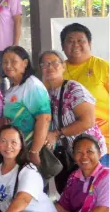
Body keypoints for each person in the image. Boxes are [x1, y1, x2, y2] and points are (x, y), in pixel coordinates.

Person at [39, 50, 107, 186]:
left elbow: (88, 121)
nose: (50, 67)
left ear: (63, 66)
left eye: (54, 63)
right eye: (45, 64)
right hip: (71, 155)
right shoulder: (48, 93)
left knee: (95, 194)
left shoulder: (73, 88)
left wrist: (57, 134)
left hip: (91, 153)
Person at [2, 46, 52, 170]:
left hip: (31, 150)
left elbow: (44, 118)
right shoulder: (13, 87)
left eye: (13, 61)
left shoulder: (32, 85)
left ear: (25, 63)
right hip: (17, 150)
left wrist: (34, 152)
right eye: (5, 62)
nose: (8, 65)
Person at [62, 23, 109, 147]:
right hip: (70, 143)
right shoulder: (57, 70)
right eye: (70, 41)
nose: (75, 45)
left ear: (89, 44)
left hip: (103, 141)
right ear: (62, 46)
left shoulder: (103, 67)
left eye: (81, 40)